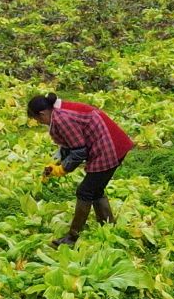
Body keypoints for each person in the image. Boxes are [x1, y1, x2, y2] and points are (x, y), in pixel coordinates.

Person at [27, 93, 134, 247]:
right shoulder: (58, 111)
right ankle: (109, 227)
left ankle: (72, 237)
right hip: (111, 142)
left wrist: (63, 169)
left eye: (39, 120)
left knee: (84, 192)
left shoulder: (62, 119)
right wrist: (58, 163)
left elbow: (78, 151)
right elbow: (70, 144)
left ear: (42, 113)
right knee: (95, 189)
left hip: (109, 147)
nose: (41, 123)